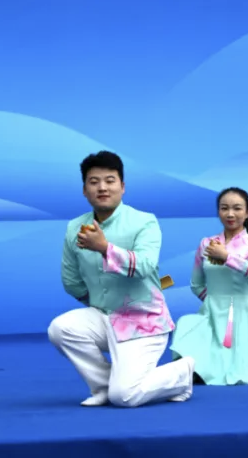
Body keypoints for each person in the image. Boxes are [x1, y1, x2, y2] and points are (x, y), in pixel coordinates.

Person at [47, 151, 194, 407]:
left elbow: (145, 266)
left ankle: (182, 373)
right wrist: (98, 301)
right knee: (60, 329)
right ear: (84, 190)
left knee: (125, 396)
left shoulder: (144, 222)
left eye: (110, 180)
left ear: (122, 187)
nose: (102, 187)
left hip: (143, 321)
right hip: (103, 316)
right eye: (94, 182)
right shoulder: (75, 227)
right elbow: (71, 280)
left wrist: (105, 248)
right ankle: (104, 386)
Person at [170, 187, 248, 385]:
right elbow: (196, 284)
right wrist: (213, 301)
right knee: (185, 325)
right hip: (210, 312)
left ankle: (207, 368)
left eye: (237, 208)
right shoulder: (206, 243)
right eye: (224, 208)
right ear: (218, 212)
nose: (230, 214)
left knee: (235, 357)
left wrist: (227, 257)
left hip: (241, 312)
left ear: (247, 213)